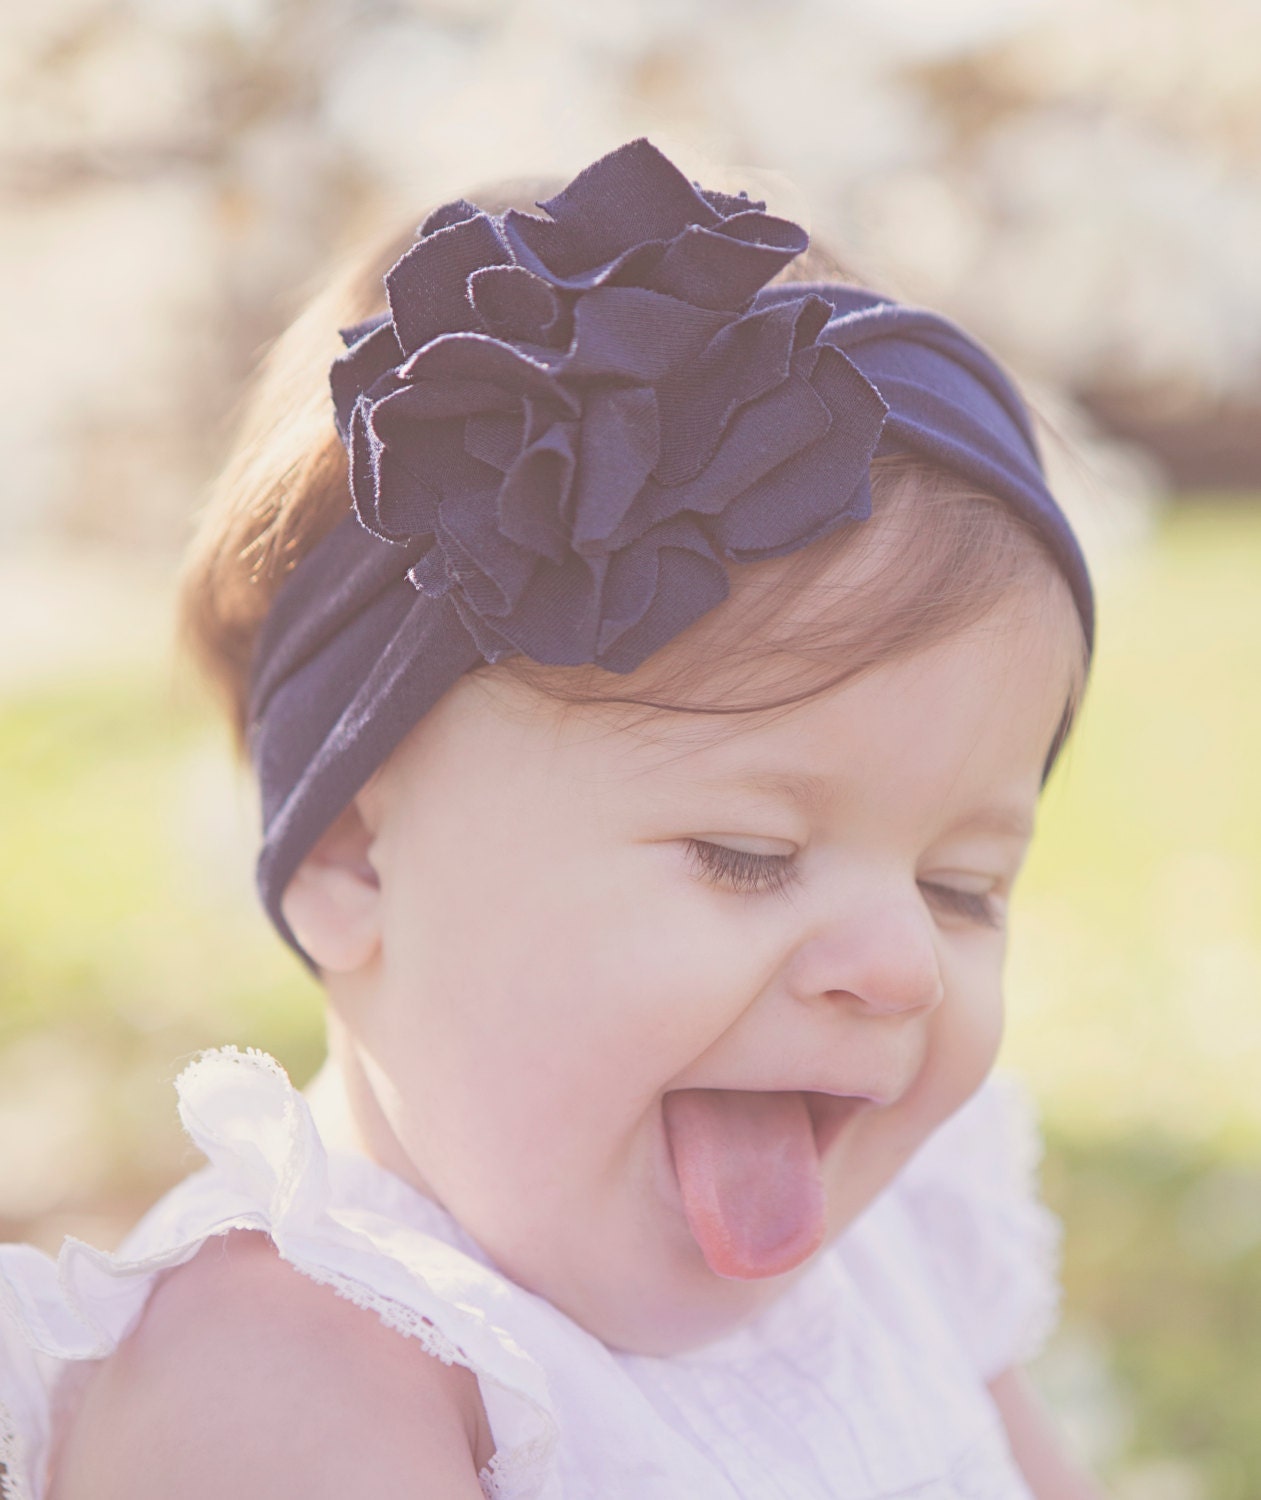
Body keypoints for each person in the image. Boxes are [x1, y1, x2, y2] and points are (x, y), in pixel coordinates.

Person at [0, 138, 1106, 1499]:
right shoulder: (295, 1373)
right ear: (357, 848)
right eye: (744, 856)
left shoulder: (904, 1257)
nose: (899, 964)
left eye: (963, 888)